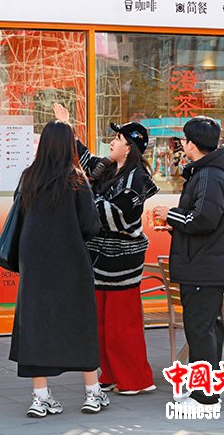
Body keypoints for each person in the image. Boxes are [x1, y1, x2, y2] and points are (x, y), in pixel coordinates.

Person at [53, 103, 158, 395]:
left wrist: (84, 197)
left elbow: (118, 217)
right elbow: (82, 157)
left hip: (122, 262)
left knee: (122, 325)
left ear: (129, 148)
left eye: (118, 139)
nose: (112, 142)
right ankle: (110, 374)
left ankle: (136, 380)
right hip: (100, 261)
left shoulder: (137, 179)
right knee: (100, 323)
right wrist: (66, 126)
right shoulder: (108, 168)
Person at [9, 120, 109, 418]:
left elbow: (19, 216)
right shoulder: (75, 178)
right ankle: (92, 392)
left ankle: (40, 398)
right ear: (68, 146)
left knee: (36, 324)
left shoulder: (29, 177)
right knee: (80, 322)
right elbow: (90, 225)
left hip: (34, 263)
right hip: (71, 261)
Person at [153, 116, 224, 412]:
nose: (182, 144)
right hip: (205, 263)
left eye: (184, 140)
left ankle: (205, 396)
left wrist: (171, 215)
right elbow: (203, 221)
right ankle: (206, 389)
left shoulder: (208, 175)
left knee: (201, 329)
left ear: (192, 144)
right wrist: (176, 224)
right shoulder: (209, 173)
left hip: (204, 267)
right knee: (207, 328)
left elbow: (204, 220)